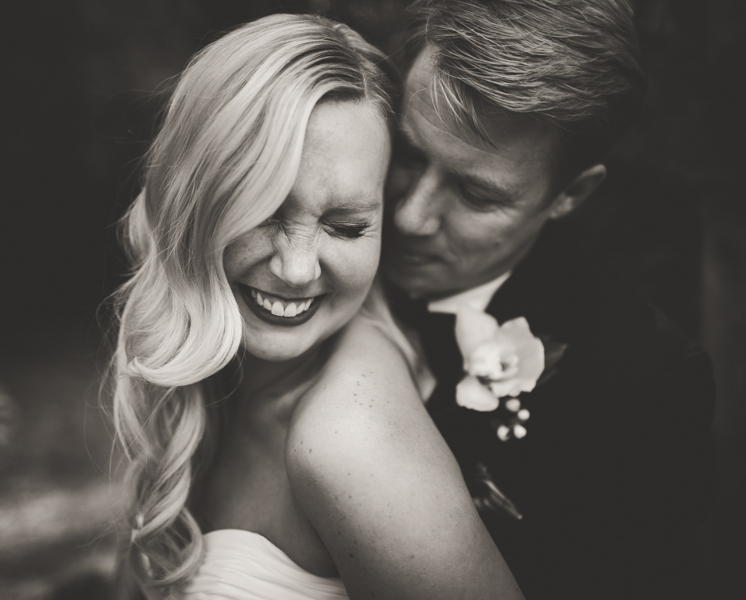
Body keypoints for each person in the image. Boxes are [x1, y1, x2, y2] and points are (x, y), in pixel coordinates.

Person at [109, 13, 523, 600]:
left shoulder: (351, 441)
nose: (297, 269)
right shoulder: (220, 372)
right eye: (264, 210)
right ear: (191, 199)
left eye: (347, 226)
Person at [382, 1, 717, 598]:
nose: (408, 218)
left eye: (475, 193)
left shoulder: (645, 385)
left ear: (571, 194)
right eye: (408, 155)